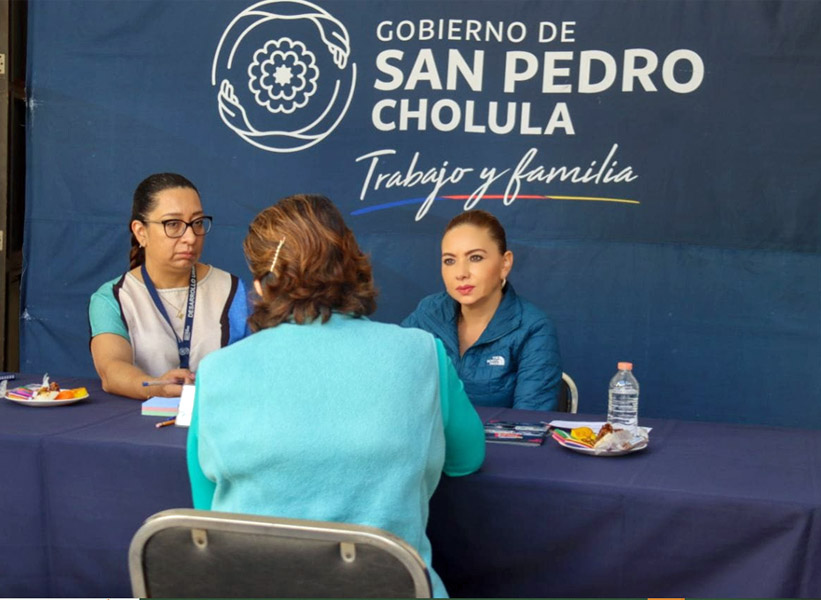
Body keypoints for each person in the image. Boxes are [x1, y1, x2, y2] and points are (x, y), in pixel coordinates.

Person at [186, 194, 484, 598]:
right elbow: (467, 460)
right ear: (352, 264)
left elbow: (211, 520)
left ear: (260, 284)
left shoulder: (216, 372)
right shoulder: (422, 353)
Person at [89, 173, 250, 399]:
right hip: (138, 427)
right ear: (140, 232)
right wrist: (158, 387)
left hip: (215, 425)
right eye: (173, 224)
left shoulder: (232, 290)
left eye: (197, 223)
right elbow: (111, 370)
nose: (191, 237)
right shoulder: (113, 298)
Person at [402, 209, 562, 411]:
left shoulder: (534, 328)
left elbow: (529, 425)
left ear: (505, 263)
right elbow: (391, 383)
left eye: (475, 258)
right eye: (450, 261)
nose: (461, 273)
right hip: (433, 442)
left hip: (500, 443)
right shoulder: (428, 313)